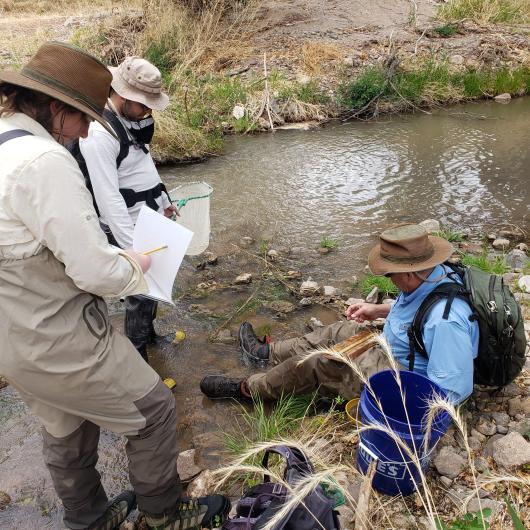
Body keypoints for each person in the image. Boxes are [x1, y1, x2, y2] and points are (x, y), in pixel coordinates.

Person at [0, 42, 228, 530]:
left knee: (64, 423)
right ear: (58, 110)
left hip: (12, 338)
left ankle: (87, 519)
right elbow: (94, 272)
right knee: (155, 412)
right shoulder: (44, 161)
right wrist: (136, 266)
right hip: (55, 333)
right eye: (84, 117)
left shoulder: (5, 141)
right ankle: (163, 515)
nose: (86, 130)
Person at [200, 224, 479, 405]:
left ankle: (251, 390)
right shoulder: (435, 275)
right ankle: (265, 354)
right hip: (395, 345)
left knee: (319, 363)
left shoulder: (447, 322)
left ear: (408, 272)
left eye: (390, 274)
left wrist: (389, 404)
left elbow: (453, 392)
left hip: (402, 375)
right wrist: (378, 310)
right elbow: (419, 310)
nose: (388, 280)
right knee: (337, 331)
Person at [79, 56, 177, 363]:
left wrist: (165, 200)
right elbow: (108, 201)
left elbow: (142, 167)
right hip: (128, 226)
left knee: (155, 283)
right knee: (141, 287)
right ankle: (139, 359)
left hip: (149, 215)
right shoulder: (99, 135)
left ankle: (148, 335)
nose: (148, 110)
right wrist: (133, 250)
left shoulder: (131, 120)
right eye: (144, 104)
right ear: (122, 96)